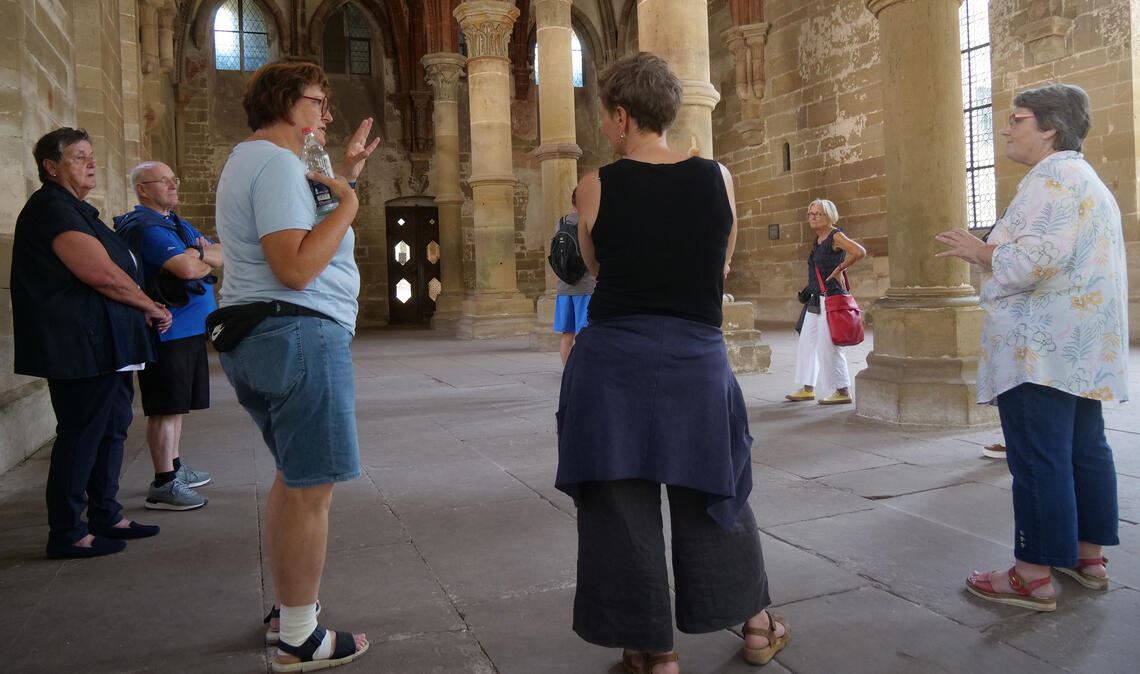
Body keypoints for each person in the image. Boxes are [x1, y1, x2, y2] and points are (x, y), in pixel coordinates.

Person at [555, 53, 789, 674]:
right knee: (715, 490)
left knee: (620, 504)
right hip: (695, 358)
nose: (606, 128)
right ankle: (758, 626)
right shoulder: (720, 178)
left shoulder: (594, 186)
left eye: (606, 116)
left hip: (613, 363)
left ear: (623, 116)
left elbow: (599, 269)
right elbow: (720, 267)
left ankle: (654, 652)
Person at [936, 83, 1129, 611]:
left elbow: (1030, 262)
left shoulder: (1051, 181)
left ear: (1049, 128)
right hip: (1080, 347)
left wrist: (980, 252)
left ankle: (1032, 574)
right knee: (1085, 452)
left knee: (1039, 459)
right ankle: (1086, 558)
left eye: (1017, 119)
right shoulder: (1085, 180)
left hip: (1038, 350)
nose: (1006, 128)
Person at [214, 59, 379, 671]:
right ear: (285, 102)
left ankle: (289, 612)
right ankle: (301, 638)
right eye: (317, 101)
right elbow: (296, 265)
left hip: (265, 333)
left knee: (293, 477)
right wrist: (351, 204)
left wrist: (347, 173)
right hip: (298, 330)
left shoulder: (253, 159)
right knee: (312, 490)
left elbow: (301, 214)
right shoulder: (277, 163)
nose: (326, 115)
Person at [10, 128, 170, 559]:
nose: (91, 163)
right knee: (81, 434)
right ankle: (67, 531)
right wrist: (148, 306)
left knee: (112, 428)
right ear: (51, 166)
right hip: (81, 345)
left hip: (109, 343)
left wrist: (143, 303)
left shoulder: (78, 209)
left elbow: (117, 270)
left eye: (91, 155)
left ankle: (105, 513)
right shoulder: (51, 209)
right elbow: (98, 273)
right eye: (79, 157)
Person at [115, 161, 219, 511]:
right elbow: (189, 268)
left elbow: (224, 252)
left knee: (177, 407)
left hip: (187, 329)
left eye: (175, 179)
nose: (174, 185)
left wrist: (200, 253)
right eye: (165, 181)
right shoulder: (146, 228)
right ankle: (163, 483)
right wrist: (201, 255)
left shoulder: (174, 223)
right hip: (166, 331)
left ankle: (174, 467)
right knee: (163, 407)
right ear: (143, 188)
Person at [784, 199, 866, 405]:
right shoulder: (818, 239)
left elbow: (859, 252)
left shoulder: (834, 236)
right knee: (807, 342)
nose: (812, 217)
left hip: (830, 298)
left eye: (817, 214)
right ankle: (807, 387)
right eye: (810, 214)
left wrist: (841, 268)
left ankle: (842, 390)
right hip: (814, 299)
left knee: (828, 345)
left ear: (829, 216)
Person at [553, 188, 595, 364]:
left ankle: (567, 370)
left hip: (564, 286)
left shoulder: (561, 222)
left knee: (567, 334)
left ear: (572, 203)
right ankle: (582, 370)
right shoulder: (589, 221)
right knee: (584, 333)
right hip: (585, 286)